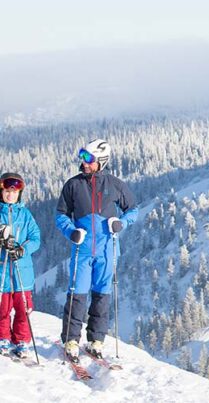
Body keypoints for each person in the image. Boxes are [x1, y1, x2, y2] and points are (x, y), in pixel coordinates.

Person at [56, 139, 137, 361]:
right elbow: (60, 215)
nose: (83, 162)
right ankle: (71, 340)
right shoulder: (73, 185)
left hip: (107, 250)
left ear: (101, 161)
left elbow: (133, 210)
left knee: (102, 296)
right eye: (82, 156)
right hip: (82, 249)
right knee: (77, 294)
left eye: (88, 158)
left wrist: (121, 223)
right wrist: (71, 231)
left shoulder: (115, 184)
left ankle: (96, 340)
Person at [0, 172, 41, 359]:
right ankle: (3, 338)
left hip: (22, 273)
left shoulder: (24, 215)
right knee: (2, 309)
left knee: (23, 310)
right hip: (2, 272)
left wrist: (22, 250)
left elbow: (35, 238)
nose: (10, 195)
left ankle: (21, 341)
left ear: (19, 194)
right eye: (7, 191)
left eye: (14, 192)